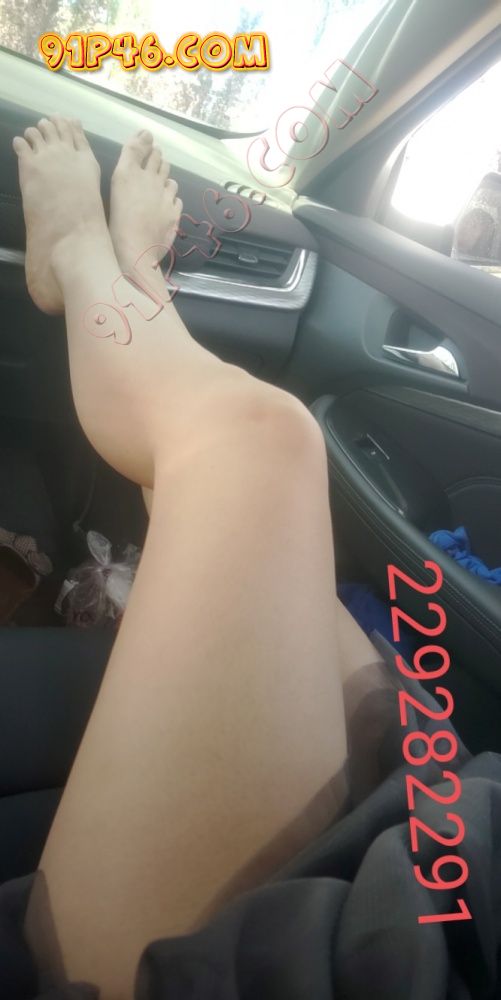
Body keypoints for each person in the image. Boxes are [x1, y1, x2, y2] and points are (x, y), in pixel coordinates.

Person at [1, 117, 500, 1000]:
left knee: (255, 441)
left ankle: (84, 261)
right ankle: (136, 283)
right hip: (441, 817)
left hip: (362, 949)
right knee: (229, 517)